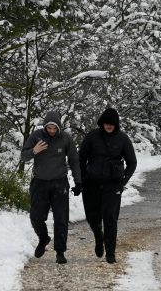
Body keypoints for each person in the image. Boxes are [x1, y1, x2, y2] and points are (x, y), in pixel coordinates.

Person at [21, 110, 82, 264]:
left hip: (59, 182)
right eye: (49, 128)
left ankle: (60, 252)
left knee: (61, 219)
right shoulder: (36, 136)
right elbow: (23, 156)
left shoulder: (65, 138)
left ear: (59, 127)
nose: (52, 131)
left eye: (55, 128)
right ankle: (43, 238)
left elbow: (74, 160)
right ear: (45, 126)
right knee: (35, 216)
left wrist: (78, 182)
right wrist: (35, 150)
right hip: (39, 182)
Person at [78, 107, 137, 264]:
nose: (109, 126)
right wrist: (82, 178)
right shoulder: (92, 136)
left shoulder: (123, 139)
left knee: (110, 218)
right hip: (91, 184)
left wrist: (122, 182)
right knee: (92, 217)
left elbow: (132, 163)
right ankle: (99, 237)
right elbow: (81, 158)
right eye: (106, 123)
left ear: (116, 125)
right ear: (102, 123)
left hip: (112, 185)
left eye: (112, 124)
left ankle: (110, 252)